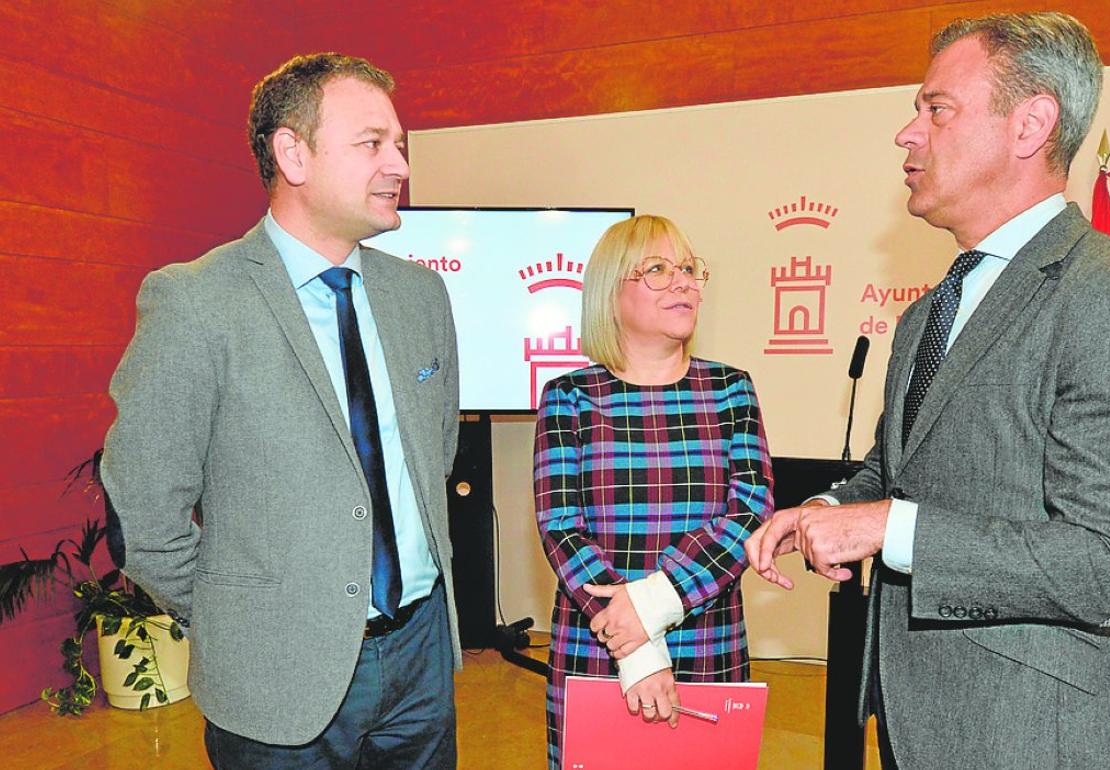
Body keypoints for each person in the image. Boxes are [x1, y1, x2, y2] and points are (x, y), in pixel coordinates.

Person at [747, 13, 1110, 770]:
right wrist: (830, 508)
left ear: (1030, 124)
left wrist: (888, 528)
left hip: (1024, 735)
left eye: (936, 109)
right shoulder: (929, 311)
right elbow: (897, 472)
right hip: (906, 716)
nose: (907, 134)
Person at [101, 53, 461, 769]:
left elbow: (433, 452)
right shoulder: (196, 302)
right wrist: (242, 621)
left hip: (421, 662)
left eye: (400, 144)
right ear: (292, 153)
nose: (399, 165)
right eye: (372, 143)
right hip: (274, 681)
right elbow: (144, 510)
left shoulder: (420, 297)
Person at [533, 215, 774, 769]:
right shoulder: (569, 396)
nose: (684, 282)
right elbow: (561, 528)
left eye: (689, 269)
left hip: (707, 641)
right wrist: (638, 649)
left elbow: (750, 511)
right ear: (609, 291)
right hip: (601, 645)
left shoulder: (730, 388)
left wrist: (655, 605)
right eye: (659, 269)